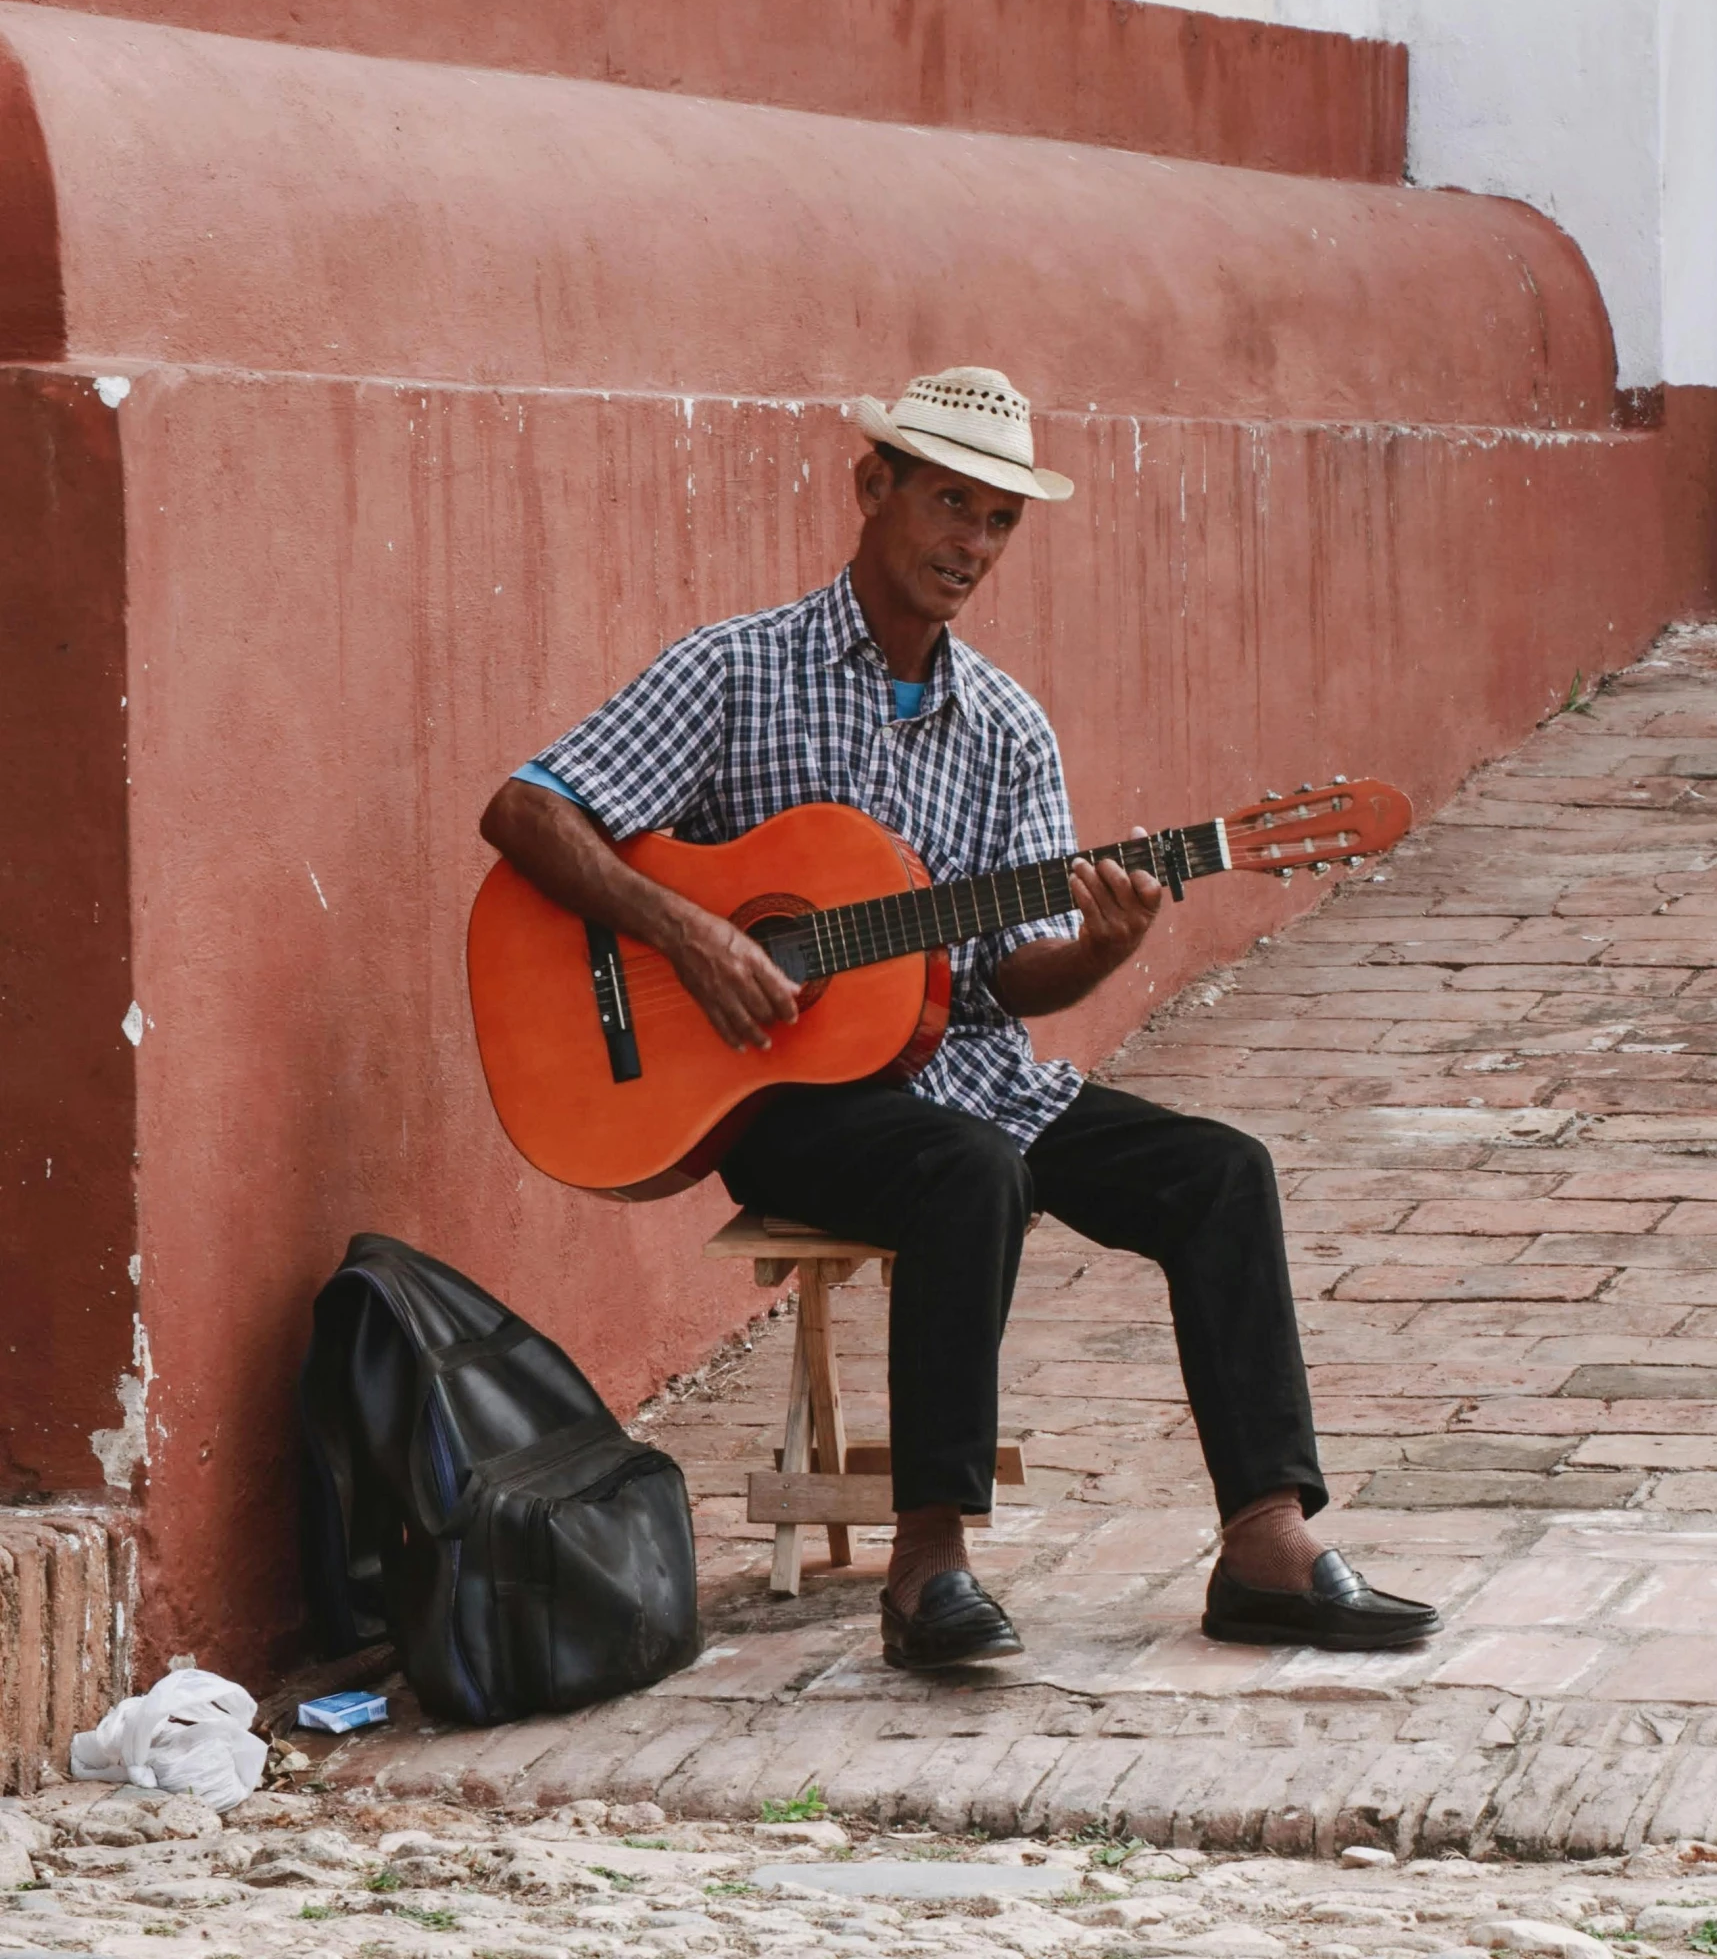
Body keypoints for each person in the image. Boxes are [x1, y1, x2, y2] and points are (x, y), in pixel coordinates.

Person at [480, 366, 1440, 1668]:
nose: (972, 545)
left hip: (975, 1079)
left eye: (1000, 520)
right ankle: (928, 1561)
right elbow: (529, 810)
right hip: (782, 1099)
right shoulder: (733, 671)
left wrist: (1098, 950)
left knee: (1221, 1174)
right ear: (872, 487)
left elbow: (1001, 979)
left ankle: (1266, 1539)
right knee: (967, 1174)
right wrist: (692, 932)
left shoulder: (1007, 731)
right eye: (951, 504)